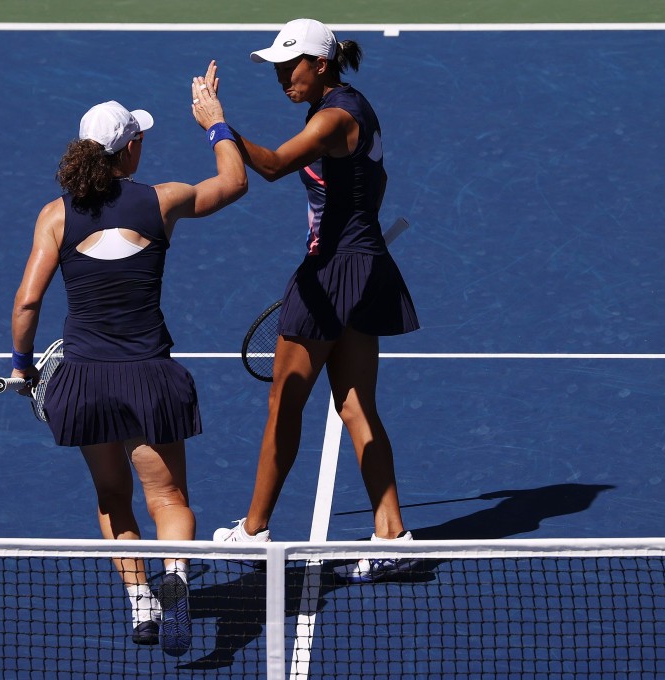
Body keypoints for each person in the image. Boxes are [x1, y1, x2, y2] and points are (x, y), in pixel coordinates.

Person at [8, 62, 246, 655]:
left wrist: (22, 367)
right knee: (169, 500)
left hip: (85, 383)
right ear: (128, 152)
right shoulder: (162, 202)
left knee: (113, 498)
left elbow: (28, 301)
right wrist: (216, 124)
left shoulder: (55, 216)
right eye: (139, 138)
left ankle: (142, 603)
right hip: (150, 379)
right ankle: (178, 588)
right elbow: (235, 182)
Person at [211, 19, 421, 582]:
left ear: (321, 63)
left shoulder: (334, 117)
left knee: (286, 403)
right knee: (354, 405)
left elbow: (276, 165)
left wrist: (219, 128)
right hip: (365, 265)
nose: (283, 75)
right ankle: (392, 534)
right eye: (278, 65)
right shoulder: (346, 108)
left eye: (291, 63)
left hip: (332, 273)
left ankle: (253, 532)